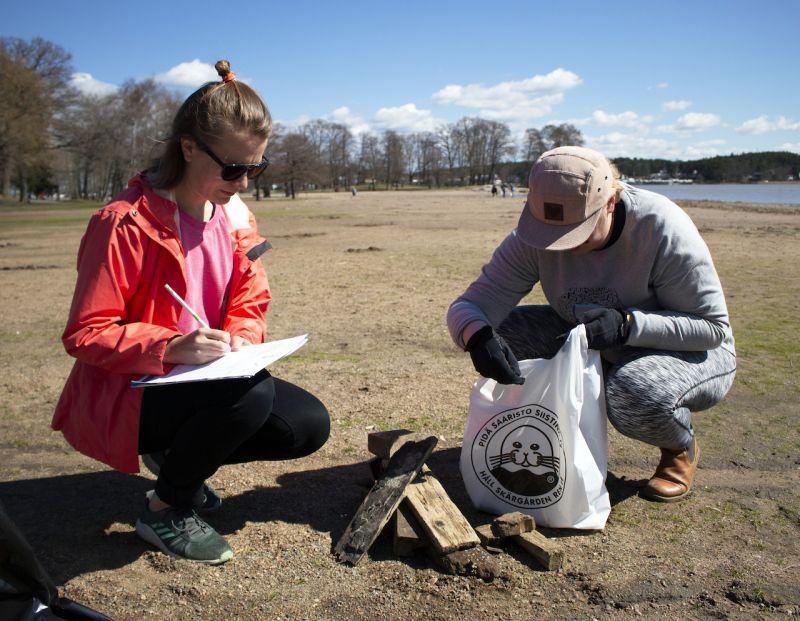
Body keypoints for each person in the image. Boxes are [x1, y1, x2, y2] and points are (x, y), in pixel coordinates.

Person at [52, 60, 330, 564]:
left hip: (209, 381)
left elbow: (250, 297)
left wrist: (244, 335)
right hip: (134, 394)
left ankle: (178, 459)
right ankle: (168, 507)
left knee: (307, 426)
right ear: (187, 148)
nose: (244, 183)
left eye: (256, 168)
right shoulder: (122, 224)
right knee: (253, 395)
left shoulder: (234, 215)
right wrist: (170, 346)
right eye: (233, 168)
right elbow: (86, 333)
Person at [448, 146, 736, 503]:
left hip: (688, 351)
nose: (561, 247)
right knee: (502, 335)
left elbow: (711, 328)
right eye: (551, 233)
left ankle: (678, 447)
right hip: (593, 337)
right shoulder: (534, 237)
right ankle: (553, 436)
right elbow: (470, 306)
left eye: (577, 232)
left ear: (610, 203)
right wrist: (476, 337)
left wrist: (629, 325)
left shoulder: (661, 228)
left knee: (635, 391)